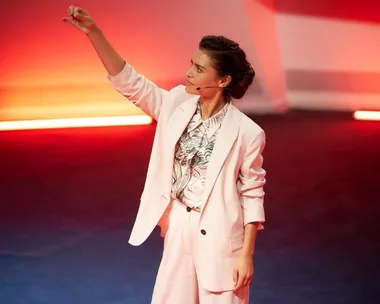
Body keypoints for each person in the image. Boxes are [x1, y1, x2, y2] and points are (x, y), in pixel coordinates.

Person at [63, 6, 267, 304]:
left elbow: (251, 194)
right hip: (178, 228)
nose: (188, 72)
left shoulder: (248, 132)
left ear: (223, 81)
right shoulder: (176, 103)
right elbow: (131, 83)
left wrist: (246, 255)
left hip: (223, 239)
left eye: (199, 69)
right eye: (191, 64)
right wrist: (95, 33)